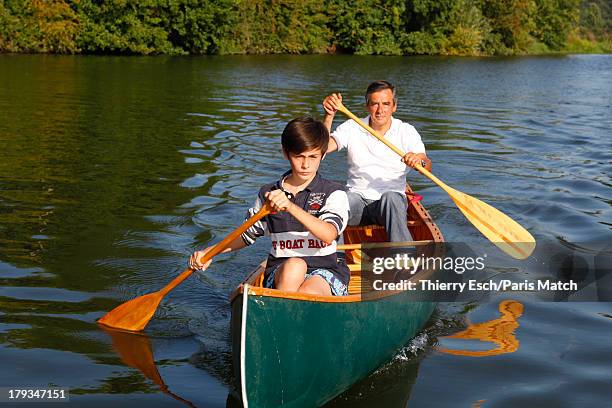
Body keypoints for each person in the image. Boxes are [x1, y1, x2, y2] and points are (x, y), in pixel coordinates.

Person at [190, 117, 350, 296]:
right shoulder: (268, 193)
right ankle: (288, 313)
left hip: (325, 272)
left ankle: (286, 314)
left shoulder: (334, 192)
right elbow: (245, 235)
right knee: (295, 265)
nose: (306, 165)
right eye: (299, 156)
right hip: (282, 272)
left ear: (323, 155)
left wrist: (289, 206)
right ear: (285, 153)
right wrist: (210, 252)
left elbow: (329, 234)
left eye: (313, 157)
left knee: (309, 290)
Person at [321, 80, 432, 242]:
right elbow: (321, 149)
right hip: (357, 200)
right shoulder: (352, 126)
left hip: (390, 205)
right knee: (337, 199)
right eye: (375, 104)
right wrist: (329, 116)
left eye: (386, 104)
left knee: (391, 198)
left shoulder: (406, 131)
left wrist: (418, 161)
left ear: (394, 106)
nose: (380, 110)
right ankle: (330, 259)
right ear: (367, 106)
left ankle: (405, 260)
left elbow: (426, 165)